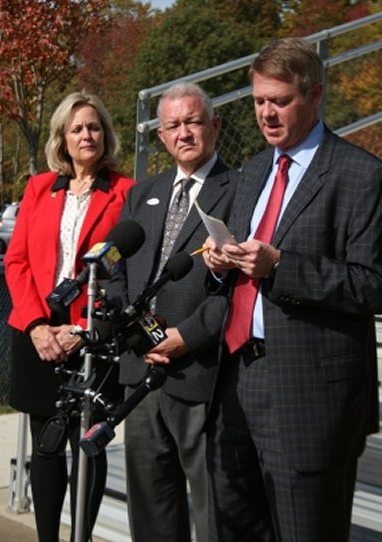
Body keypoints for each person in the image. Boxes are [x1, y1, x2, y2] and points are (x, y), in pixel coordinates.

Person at [203, 38, 382, 542]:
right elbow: (241, 267)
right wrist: (220, 264)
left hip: (308, 399)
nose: (267, 114)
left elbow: (373, 284)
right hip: (237, 380)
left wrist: (280, 266)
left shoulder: (361, 176)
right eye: (259, 101)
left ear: (314, 94)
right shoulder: (255, 169)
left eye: (279, 101)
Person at [106, 82, 238, 542]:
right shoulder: (142, 194)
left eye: (193, 122)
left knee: (213, 512)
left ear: (215, 126)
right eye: (173, 125)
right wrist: (135, 332)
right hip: (139, 375)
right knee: (151, 510)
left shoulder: (242, 191)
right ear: (160, 136)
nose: (183, 133)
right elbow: (116, 273)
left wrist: (186, 336)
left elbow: (239, 289)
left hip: (200, 374)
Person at [4, 91, 135, 542]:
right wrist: (38, 326)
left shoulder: (125, 192)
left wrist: (86, 330)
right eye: (77, 128)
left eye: (94, 127)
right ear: (62, 136)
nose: (87, 135)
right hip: (37, 328)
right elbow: (16, 261)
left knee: (88, 445)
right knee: (46, 444)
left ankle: (81, 535)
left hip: (91, 334)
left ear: (106, 135)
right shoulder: (39, 187)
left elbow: (126, 269)